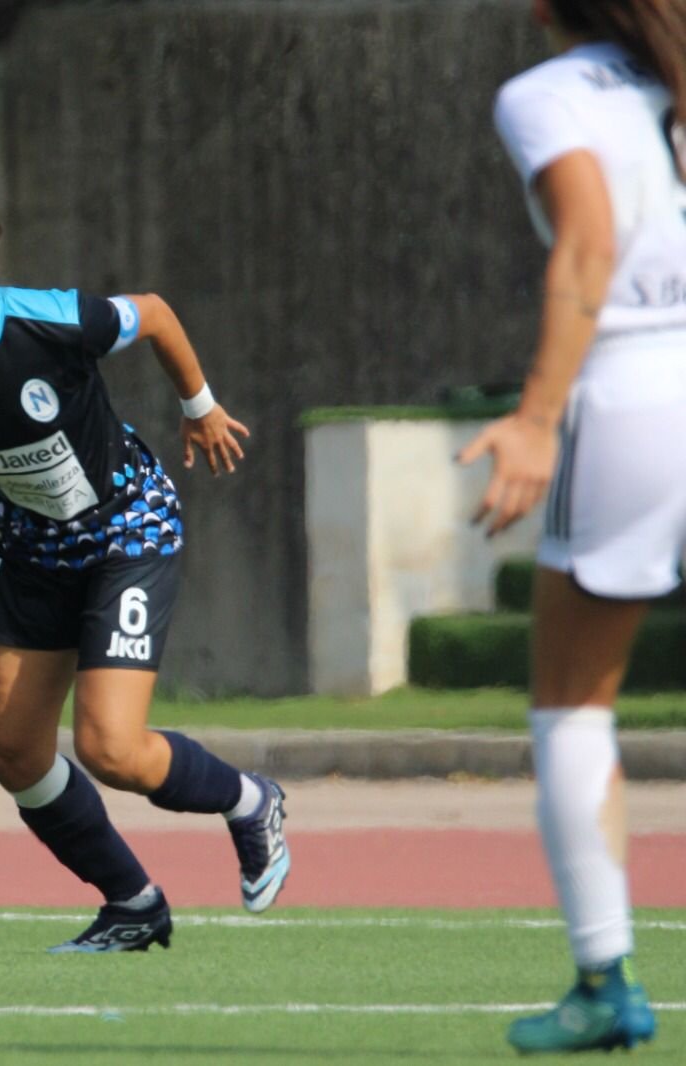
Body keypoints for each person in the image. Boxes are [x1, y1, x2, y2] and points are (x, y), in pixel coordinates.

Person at [0, 158, 290, 953]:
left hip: (128, 530)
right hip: (34, 549)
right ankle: (133, 903)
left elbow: (152, 313)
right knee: (13, 753)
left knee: (111, 748)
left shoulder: (50, 320)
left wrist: (200, 406)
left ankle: (249, 800)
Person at [460, 0, 686, 1052]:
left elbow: (590, 244)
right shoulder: (667, 77)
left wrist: (537, 416)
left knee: (572, 704)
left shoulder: (542, 95)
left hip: (636, 390)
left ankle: (604, 978)